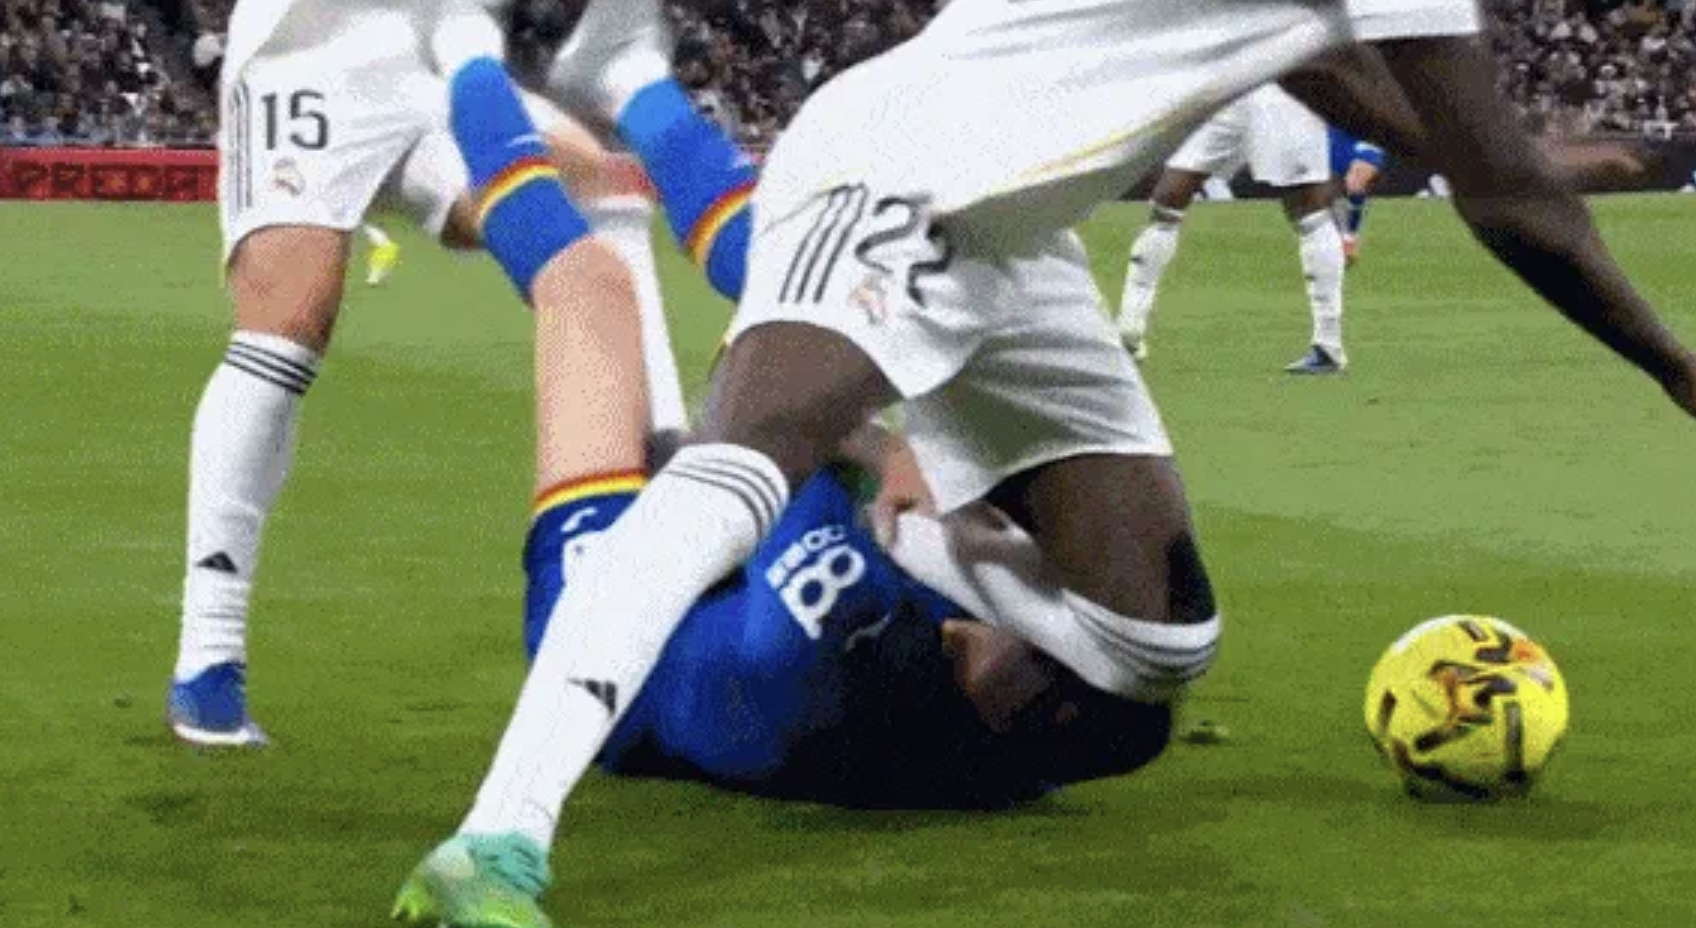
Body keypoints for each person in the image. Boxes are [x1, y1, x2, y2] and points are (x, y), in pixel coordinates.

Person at [399, 1, 1696, 925]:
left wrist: (1482, 154)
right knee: (741, 469)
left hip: (1020, 233)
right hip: (898, 166)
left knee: (1154, 645)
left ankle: (913, 521)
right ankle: (496, 840)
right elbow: (1512, 207)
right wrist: (1674, 367)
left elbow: (1324, 57)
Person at [167, 0, 754, 746]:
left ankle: (658, 470)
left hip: (432, 53)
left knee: (597, 187)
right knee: (289, 324)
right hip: (314, 43)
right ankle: (208, 661)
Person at [1115, 86, 1349, 374]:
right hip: (1228, 89)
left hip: (1282, 91)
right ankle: (1128, 331)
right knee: (1168, 198)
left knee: (1307, 210)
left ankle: (1328, 345)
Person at [1328, 126, 1386, 266]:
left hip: (1368, 136)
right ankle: (1343, 237)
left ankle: (1350, 235)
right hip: (1337, 137)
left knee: (1355, 185)